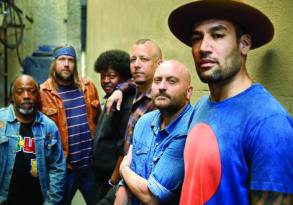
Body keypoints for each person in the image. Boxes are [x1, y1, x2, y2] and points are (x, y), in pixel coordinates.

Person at [168, 0, 293, 204]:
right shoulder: (200, 107)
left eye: (217, 35)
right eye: (197, 38)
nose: (203, 48)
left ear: (244, 44)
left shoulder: (269, 123)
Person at [114, 60, 194, 205]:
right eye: (157, 80)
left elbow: (153, 197)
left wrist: (123, 169)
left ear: (188, 92)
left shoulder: (189, 130)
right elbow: (130, 178)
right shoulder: (144, 121)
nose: (162, 87)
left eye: (172, 81)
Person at [97, 39, 162, 205]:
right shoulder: (132, 93)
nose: (137, 65)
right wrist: (120, 89)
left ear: (158, 64)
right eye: (133, 60)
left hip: (145, 184)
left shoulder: (162, 101)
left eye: (144, 59)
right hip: (124, 178)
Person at [40, 45, 101, 205]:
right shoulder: (43, 93)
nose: (66, 64)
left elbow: (98, 121)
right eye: (62, 59)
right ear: (54, 63)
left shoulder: (88, 87)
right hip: (65, 170)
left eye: (70, 60)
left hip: (89, 166)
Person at [0, 75, 66, 205]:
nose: (26, 96)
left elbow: (57, 168)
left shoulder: (48, 127)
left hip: (38, 199)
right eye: (20, 92)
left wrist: (51, 202)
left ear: (38, 96)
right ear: (12, 97)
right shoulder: (1, 121)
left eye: (31, 91)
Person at [92, 49, 133, 200]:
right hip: (100, 175)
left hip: (110, 178)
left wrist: (112, 181)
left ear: (123, 77)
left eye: (112, 76)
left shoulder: (124, 103)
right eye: (103, 76)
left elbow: (124, 148)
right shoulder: (111, 98)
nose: (106, 80)